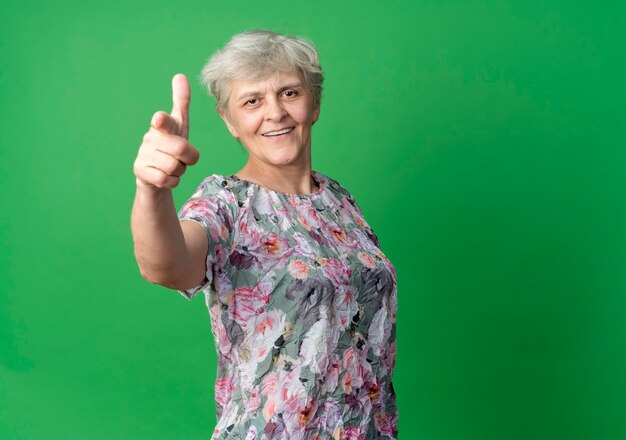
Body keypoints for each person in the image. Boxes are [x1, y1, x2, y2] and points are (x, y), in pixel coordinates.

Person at [131, 30, 398, 439]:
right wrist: (152, 191)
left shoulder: (340, 200)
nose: (274, 113)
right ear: (229, 120)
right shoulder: (226, 203)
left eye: (289, 93)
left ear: (315, 104)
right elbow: (167, 266)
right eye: (252, 101)